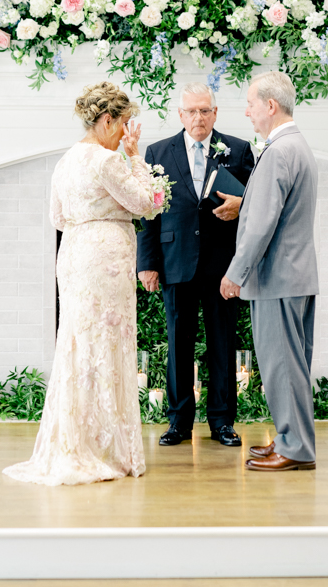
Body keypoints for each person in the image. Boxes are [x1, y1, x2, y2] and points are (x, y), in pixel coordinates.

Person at [3, 81, 155, 486]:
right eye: (124, 124)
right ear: (107, 121)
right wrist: (135, 156)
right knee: (106, 344)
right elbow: (147, 204)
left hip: (74, 254)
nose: (126, 132)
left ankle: (75, 442)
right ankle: (106, 448)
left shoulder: (66, 160)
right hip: (105, 257)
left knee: (77, 343)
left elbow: (57, 217)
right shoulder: (107, 161)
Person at [137, 82, 255, 447]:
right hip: (175, 262)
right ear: (180, 114)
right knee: (178, 344)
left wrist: (240, 202)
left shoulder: (237, 149)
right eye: (191, 111)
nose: (198, 117)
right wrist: (147, 262)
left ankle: (222, 422)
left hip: (223, 263)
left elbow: (257, 204)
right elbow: (148, 213)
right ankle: (179, 423)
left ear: (215, 113)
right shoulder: (158, 152)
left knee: (222, 343)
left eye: (205, 110)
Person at [220, 71, 319, 472]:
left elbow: (263, 223)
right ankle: (288, 438)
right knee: (289, 365)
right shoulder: (295, 145)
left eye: (250, 104)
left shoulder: (279, 151)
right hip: (294, 275)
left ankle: (295, 448)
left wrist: (235, 273)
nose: (247, 112)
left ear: (270, 106)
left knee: (283, 366)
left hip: (279, 278)